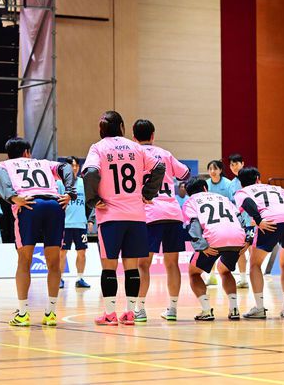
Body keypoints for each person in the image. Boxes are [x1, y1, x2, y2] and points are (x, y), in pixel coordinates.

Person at [82, 111, 166, 326]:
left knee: (109, 267)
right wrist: (148, 193)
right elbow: (159, 166)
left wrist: (92, 199)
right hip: (136, 216)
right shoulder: (136, 147)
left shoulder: (98, 148)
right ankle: (129, 313)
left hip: (110, 216)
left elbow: (90, 172)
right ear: (121, 126)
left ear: (101, 128)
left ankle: (110, 314)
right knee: (132, 267)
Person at [0, 138, 75, 326]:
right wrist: (70, 192)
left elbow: (0, 180)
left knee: (24, 260)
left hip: (29, 206)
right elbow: (67, 168)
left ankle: (22, 314)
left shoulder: (4, 165)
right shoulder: (44, 163)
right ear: (27, 152)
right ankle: (51, 314)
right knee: (54, 262)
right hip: (54, 205)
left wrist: (13, 197)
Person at [132, 119, 191, 322]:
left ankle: (140, 309)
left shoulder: (135, 154)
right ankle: (172, 309)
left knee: (143, 264)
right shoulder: (165, 154)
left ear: (134, 137)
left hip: (149, 213)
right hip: (173, 213)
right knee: (172, 264)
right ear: (153, 135)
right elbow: (186, 174)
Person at [236, 167, 284, 319]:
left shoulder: (242, 192)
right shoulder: (275, 188)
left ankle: (259, 308)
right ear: (258, 179)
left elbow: (248, 203)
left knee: (255, 264)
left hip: (270, 221)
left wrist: (259, 220)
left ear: (240, 183)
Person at [183, 178, 251, 321]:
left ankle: (206, 310)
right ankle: (234, 309)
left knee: (194, 274)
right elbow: (239, 218)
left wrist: (201, 246)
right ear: (205, 188)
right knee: (225, 271)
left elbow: (193, 224)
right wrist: (247, 239)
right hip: (237, 238)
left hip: (213, 239)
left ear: (189, 193)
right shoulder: (223, 198)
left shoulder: (190, 201)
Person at [57, 156, 90, 290]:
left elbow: (89, 203)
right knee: (62, 253)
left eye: (76, 165)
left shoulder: (83, 183)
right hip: (65, 224)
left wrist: (90, 219)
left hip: (80, 224)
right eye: (72, 166)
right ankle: (60, 278)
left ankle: (80, 278)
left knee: (82, 252)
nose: (74, 168)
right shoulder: (60, 183)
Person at [228, 153, 250, 289]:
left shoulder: (251, 178)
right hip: (239, 223)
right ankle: (243, 279)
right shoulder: (231, 184)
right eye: (231, 165)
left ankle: (255, 277)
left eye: (236, 164)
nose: (234, 167)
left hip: (253, 221)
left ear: (243, 163)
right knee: (240, 250)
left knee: (253, 251)